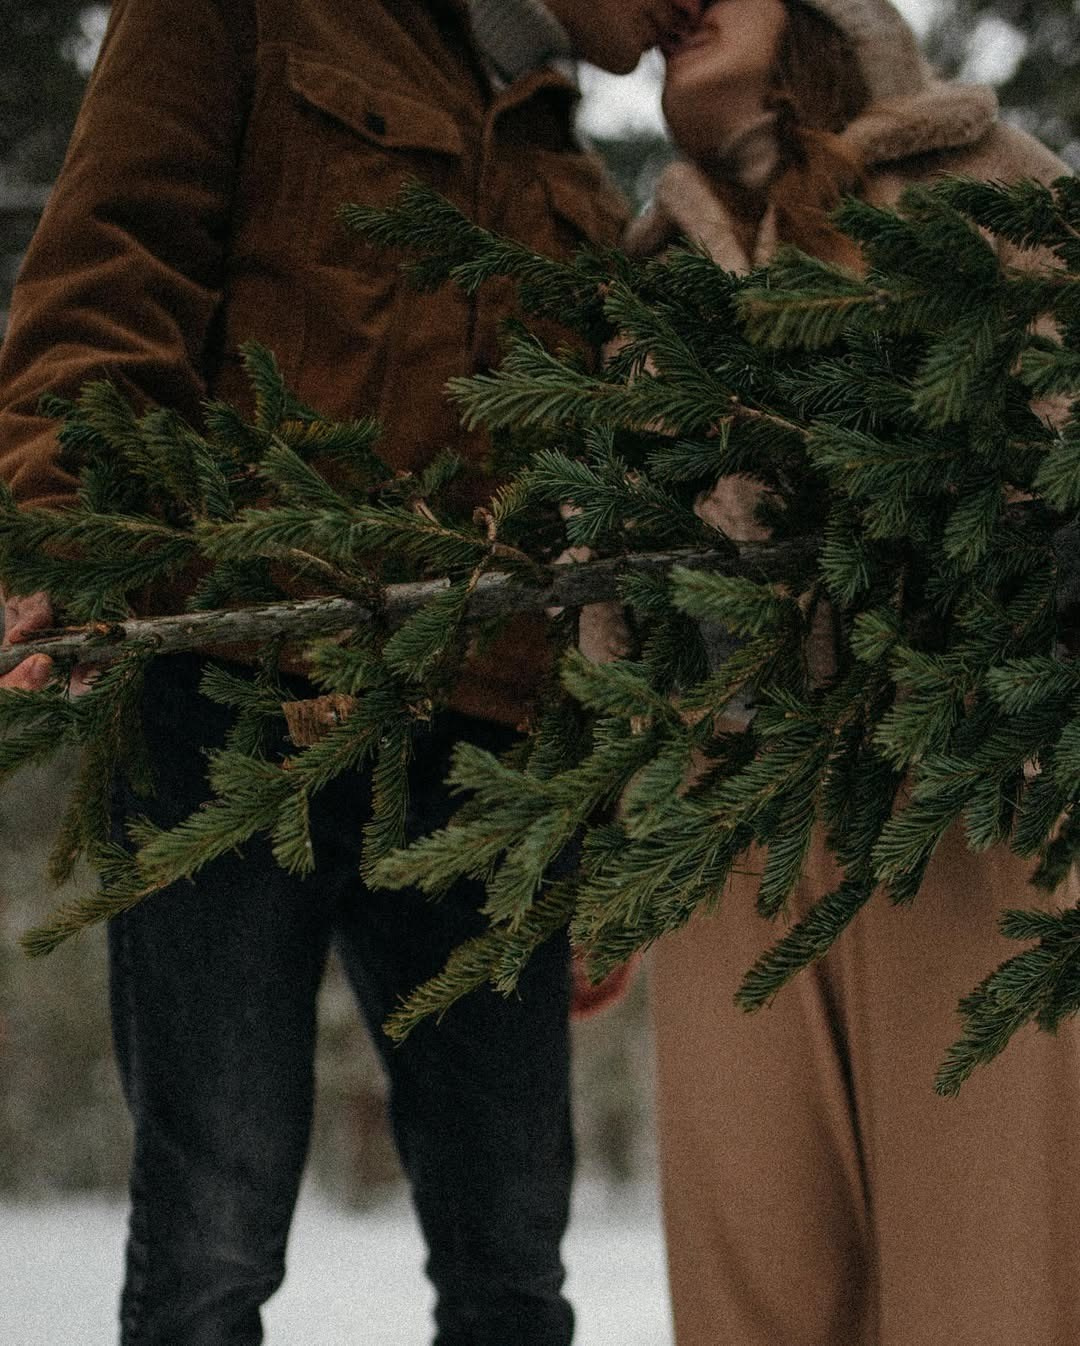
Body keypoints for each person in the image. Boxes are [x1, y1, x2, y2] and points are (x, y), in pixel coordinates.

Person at [0, 2, 701, 1343]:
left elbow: (583, 517)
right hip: (233, 698)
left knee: (514, 1263)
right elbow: (112, 264)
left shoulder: (569, 159)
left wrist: (588, 819)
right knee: (210, 1237)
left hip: (494, 755)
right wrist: (66, 528)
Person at [627, 2, 1080, 1343]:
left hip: (969, 806)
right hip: (727, 830)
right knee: (749, 1287)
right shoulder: (654, 267)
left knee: (984, 1283)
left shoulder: (999, 186)